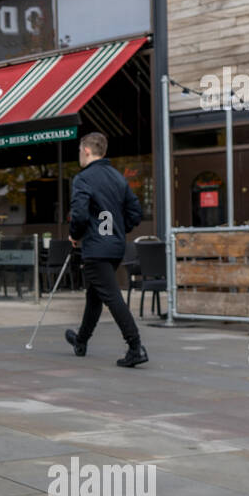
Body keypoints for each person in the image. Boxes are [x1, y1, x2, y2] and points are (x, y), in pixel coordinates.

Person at [64, 132, 148, 367]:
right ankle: (81, 341)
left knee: (111, 297)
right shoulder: (118, 178)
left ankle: (135, 346)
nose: (79, 154)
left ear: (87, 151)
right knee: (95, 296)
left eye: (81, 150)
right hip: (114, 246)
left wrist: (75, 234)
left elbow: (79, 214)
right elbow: (135, 213)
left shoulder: (83, 179)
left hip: (96, 248)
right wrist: (119, 229)